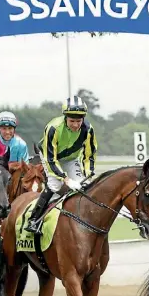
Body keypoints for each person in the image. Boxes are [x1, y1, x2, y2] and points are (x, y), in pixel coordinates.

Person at [24, 95, 97, 233]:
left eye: (79, 121)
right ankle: (34, 219)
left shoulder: (88, 129)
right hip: (50, 156)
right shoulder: (53, 128)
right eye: (72, 121)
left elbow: (90, 155)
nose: (76, 125)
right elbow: (51, 160)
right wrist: (66, 179)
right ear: (65, 118)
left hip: (71, 158)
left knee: (83, 185)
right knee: (54, 184)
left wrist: (89, 174)